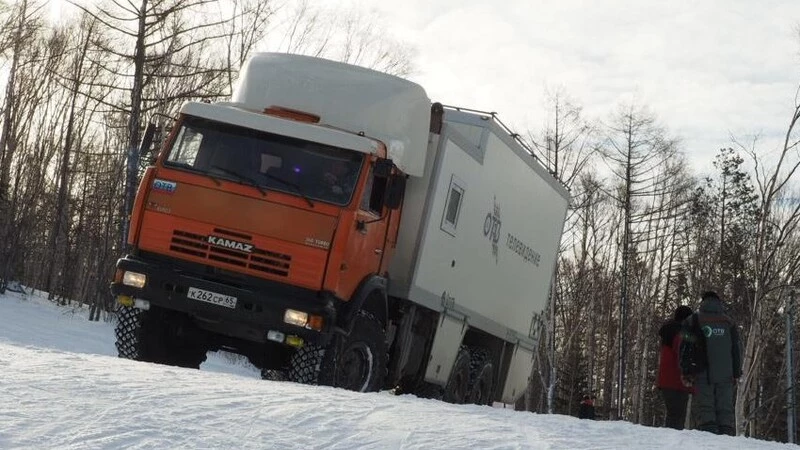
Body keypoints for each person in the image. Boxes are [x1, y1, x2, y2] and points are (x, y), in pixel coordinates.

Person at [679, 291, 742, 435]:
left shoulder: (693, 320)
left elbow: (684, 345)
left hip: (702, 371)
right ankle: (726, 438)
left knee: (706, 407)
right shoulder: (728, 322)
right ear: (718, 302)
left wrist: (686, 370)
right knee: (725, 408)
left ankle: (709, 438)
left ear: (703, 301)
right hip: (726, 373)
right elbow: (736, 349)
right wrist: (736, 371)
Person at [656, 305, 694, 429]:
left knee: (672, 415)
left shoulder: (669, 331)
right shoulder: (680, 333)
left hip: (666, 380)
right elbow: (683, 354)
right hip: (678, 380)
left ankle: (670, 442)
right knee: (678, 417)